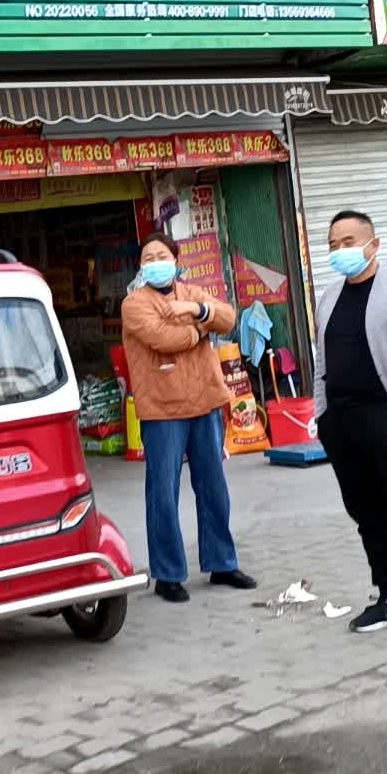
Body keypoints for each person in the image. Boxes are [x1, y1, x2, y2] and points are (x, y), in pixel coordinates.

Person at [122, 231, 256, 603]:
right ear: (140, 266)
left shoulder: (191, 293)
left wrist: (198, 311)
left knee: (213, 487)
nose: (155, 263)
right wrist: (200, 329)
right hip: (162, 409)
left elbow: (228, 319)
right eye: (147, 258)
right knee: (163, 492)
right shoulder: (134, 304)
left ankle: (222, 563)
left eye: (161, 255)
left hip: (205, 402)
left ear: (176, 259)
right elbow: (164, 339)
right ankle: (167, 573)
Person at [313, 210, 387, 633]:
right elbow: (321, 363)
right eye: (334, 244)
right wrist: (322, 417)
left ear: (373, 244)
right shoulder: (328, 298)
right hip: (342, 426)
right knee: (368, 516)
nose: (341, 250)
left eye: (350, 241)